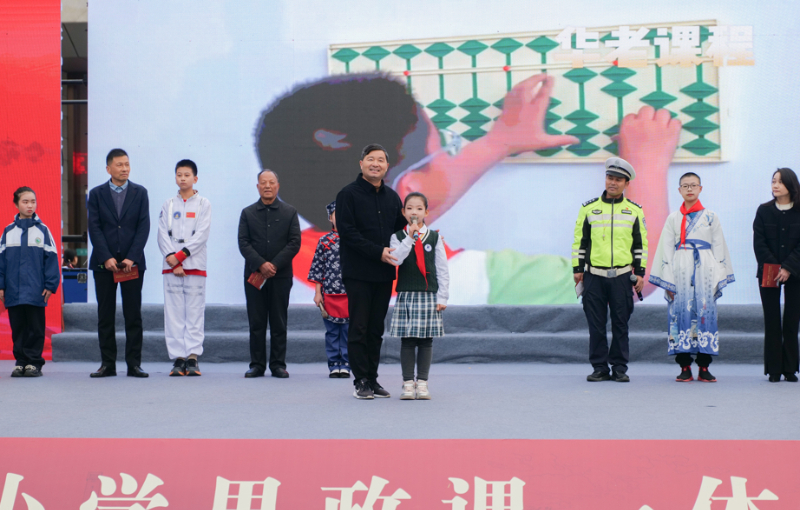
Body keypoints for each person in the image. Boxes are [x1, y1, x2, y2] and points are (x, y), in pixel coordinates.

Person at [255, 74, 677, 304]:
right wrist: (645, 162)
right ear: (410, 192)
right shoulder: (465, 281)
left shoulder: (295, 260)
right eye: (446, 147)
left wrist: (500, 140)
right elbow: (632, 283)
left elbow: (419, 187)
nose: (453, 155)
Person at [335, 144, 407, 400]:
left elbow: (402, 232)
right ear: (361, 163)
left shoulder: (392, 198)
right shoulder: (347, 194)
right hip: (358, 272)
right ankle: (361, 380)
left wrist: (422, 235)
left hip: (384, 273)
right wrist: (378, 252)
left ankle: (373, 379)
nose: (375, 164)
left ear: (387, 166)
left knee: (376, 329)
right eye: (370, 159)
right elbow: (348, 233)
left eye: (380, 160)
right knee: (359, 327)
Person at [649, 172, 734, 382]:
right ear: (679, 190)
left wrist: (718, 275)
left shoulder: (711, 217)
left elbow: (719, 247)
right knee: (680, 314)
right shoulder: (673, 218)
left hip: (705, 269)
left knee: (706, 314)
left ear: (700, 189)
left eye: (693, 185)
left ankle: (704, 366)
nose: (689, 189)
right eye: (685, 186)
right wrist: (668, 280)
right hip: (680, 269)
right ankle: (684, 366)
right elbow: (666, 250)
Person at [573, 156, 648, 383]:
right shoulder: (588, 208)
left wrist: (640, 272)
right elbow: (580, 241)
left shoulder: (634, 211)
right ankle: (599, 367)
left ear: (627, 183)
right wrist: (578, 269)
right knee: (595, 325)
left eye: (618, 179)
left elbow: (640, 244)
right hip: (593, 276)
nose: (612, 183)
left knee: (620, 325)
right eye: (609, 177)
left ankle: (619, 367)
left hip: (622, 276)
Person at [87, 148, 150, 378]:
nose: (125, 169)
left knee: (133, 315)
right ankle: (108, 364)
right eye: (120, 165)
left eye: (127, 164)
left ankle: (134, 364)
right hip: (104, 264)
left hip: (132, 264)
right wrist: (106, 257)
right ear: (108, 168)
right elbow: (94, 227)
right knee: (105, 315)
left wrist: (132, 257)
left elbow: (143, 227)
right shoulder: (96, 194)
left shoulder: (140, 192)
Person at [239, 169, 301, 378]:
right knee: (256, 322)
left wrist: (273, 265)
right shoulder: (247, 213)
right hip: (254, 276)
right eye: (263, 183)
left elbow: (294, 243)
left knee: (278, 321)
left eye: (271, 182)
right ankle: (257, 364)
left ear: (278, 186)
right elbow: (243, 243)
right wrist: (260, 264)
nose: (267, 186)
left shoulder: (289, 212)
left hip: (280, 276)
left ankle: (278, 365)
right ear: (258, 187)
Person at [388, 192, 449, 400]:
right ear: (403, 212)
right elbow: (396, 260)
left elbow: (442, 268)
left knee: (425, 341)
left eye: (419, 208)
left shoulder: (434, 237)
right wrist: (409, 238)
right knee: (407, 340)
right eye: (410, 208)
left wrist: (443, 296)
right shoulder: (397, 236)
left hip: (428, 295)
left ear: (426, 212)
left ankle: (422, 383)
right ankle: (407, 383)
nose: (414, 212)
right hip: (407, 294)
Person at [157, 159, 212, 377]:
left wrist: (181, 257)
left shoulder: (204, 204)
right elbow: (162, 234)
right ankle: (178, 358)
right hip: (171, 265)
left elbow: (202, 234)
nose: (182, 178)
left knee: (195, 312)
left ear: (195, 178)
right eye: (179, 175)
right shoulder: (168, 204)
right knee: (173, 312)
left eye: (187, 175)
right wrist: (173, 259)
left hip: (195, 264)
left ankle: (192, 356)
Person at [0, 187, 60, 377]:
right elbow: (1, 261)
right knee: (18, 327)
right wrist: (1, 285)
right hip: (13, 289)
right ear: (16, 204)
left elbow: (52, 259)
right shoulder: (8, 231)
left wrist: (50, 284)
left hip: (36, 289)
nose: (30, 205)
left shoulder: (43, 230)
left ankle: (34, 363)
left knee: (35, 327)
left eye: (33, 201)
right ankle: (20, 362)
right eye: (25, 201)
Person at [753, 168, 800, 383]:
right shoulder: (764, 211)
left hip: (796, 271)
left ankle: (790, 369)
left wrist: (788, 267)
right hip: (769, 271)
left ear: (791, 185)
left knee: (792, 320)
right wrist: (774, 266)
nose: (775, 185)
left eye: (780, 181)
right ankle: (773, 369)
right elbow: (759, 243)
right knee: (772, 320)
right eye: (773, 181)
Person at [308, 201, 350, 378]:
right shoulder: (324, 241)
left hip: (349, 294)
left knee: (347, 331)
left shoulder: (354, 240)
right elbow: (318, 268)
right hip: (329, 294)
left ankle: (346, 364)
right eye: (336, 214)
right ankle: (334, 364)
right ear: (330, 218)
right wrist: (318, 292)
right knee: (332, 332)